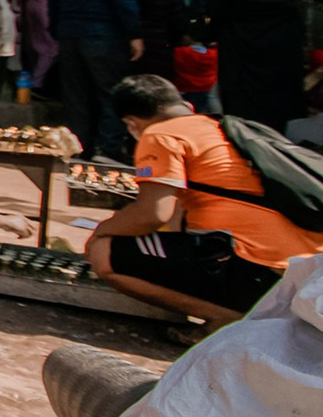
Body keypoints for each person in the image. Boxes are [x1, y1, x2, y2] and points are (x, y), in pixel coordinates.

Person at [85, 75, 323, 328]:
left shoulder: (158, 135)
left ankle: (227, 319)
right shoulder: (220, 127)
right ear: (186, 105)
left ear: (131, 123)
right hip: (303, 272)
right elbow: (174, 215)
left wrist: (101, 232)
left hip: (258, 273)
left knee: (104, 251)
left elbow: (152, 214)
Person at [48, 0, 142, 161]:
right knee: (111, 92)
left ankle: (78, 148)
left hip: (68, 34)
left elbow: (53, 2)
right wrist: (134, 33)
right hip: (103, 35)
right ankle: (107, 149)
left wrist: (57, 31)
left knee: (75, 95)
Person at [209, 0, 309, 133]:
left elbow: (216, 10)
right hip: (282, 49)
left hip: (241, 52)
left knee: (244, 108)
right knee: (280, 102)